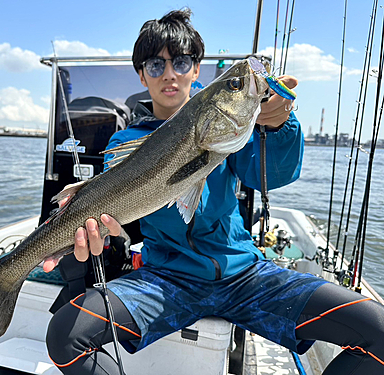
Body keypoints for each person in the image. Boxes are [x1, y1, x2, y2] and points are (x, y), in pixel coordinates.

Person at [44, 8, 384, 375]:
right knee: (64, 336)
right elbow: (119, 204)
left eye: (181, 61)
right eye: (156, 65)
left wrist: (280, 123)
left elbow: (271, 176)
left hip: (245, 276)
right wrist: (89, 229)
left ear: (197, 69)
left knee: (379, 330)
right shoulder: (125, 142)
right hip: (166, 281)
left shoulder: (230, 133)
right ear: (141, 74)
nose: (170, 73)